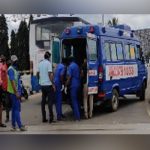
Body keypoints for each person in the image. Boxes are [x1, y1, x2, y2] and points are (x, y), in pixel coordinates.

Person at [7, 55, 27, 131]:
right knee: (17, 109)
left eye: (16, 60)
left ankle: (13, 126)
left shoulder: (15, 69)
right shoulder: (11, 69)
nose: (16, 61)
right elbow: (12, 82)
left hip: (16, 91)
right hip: (14, 92)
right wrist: (16, 92)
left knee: (14, 109)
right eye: (14, 60)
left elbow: (17, 80)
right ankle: (20, 126)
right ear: (12, 61)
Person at [37, 51, 56, 123]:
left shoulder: (40, 63)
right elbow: (50, 74)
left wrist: (40, 81)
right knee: (50, 102)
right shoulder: (48, 63)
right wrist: (53, 84)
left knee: (43, 102)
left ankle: (44, 118)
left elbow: (37, 74)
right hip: (48, 85)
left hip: (42, 85)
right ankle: (51, 118)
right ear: (49, 57)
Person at [65, 57, 81, 121]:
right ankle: (79, 114)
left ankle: (77, 117)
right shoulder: (76, 65)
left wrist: (66, 85)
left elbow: (69, 77)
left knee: (73, 101)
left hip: (73, 85)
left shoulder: (70, 67)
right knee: (77, 100)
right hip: (78, 84)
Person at [0, 55, 7, 127]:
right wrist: (4, 62)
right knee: (1, 105)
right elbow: (5, 70)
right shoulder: (2, 65)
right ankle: (0, 122)